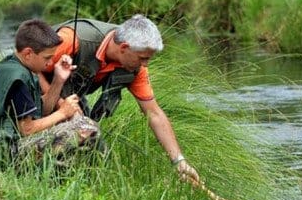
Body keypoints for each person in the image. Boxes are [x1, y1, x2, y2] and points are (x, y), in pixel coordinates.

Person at [41, 14, 199, 181]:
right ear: (124, 47)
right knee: (87, 133)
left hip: (69, 96)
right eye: (143, 58)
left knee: (89, 135)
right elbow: (30, 67)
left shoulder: (135, 68)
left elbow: (154, 113)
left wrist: (179, 161)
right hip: (32, 91)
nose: (145, 64)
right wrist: (61, 106)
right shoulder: (71, 39)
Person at [0, 19, 95, 168]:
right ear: (28, 53)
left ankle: (65, 169)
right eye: (47, 57)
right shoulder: (18, 79)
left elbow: (42, 111)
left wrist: (58, 79)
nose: (50, 62)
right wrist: (63, 113)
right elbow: (27, 129)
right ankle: (82, 172)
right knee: (88, 128)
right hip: (3, 154)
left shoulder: (13, 65)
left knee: (71, 123)